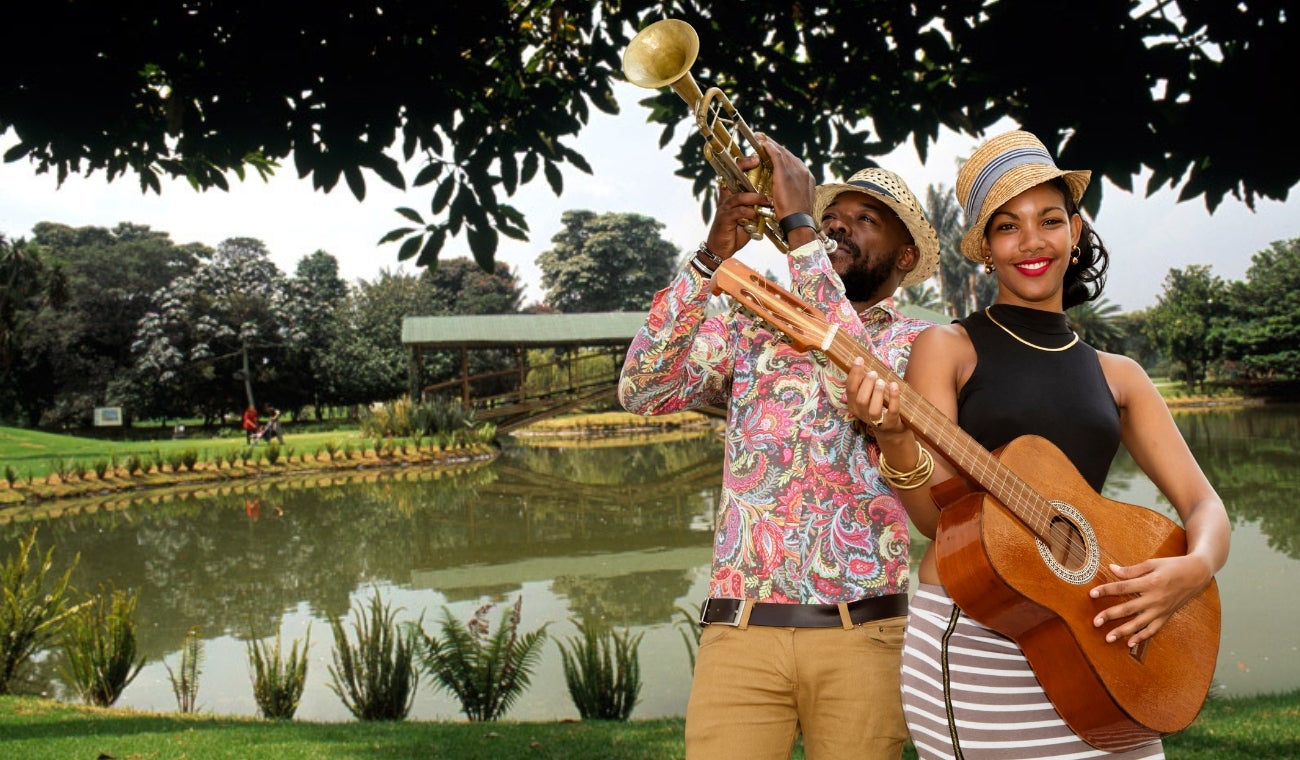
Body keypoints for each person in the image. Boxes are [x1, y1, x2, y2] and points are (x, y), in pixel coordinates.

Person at [845, 129, 1232, 759]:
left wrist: (1194, 568)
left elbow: (1205, 506)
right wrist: (892, 436)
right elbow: (933, 520)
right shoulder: (948, 348)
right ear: (986, 251)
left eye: (1049, 220)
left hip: (1104, 638)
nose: (1032, 242)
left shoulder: (1120, 374)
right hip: (978, 641)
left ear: (1075, 232)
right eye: (1006, 226)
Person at [619, 134, 940, 760]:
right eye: (831, 219)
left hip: (864, 638)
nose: (839, 229)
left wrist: (801, 232)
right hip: (738, 637)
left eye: (863, 221)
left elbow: (856, 376)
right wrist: (711, 257)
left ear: (905, 256)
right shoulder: (751, 321)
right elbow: (642, 388)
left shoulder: (923, 345)